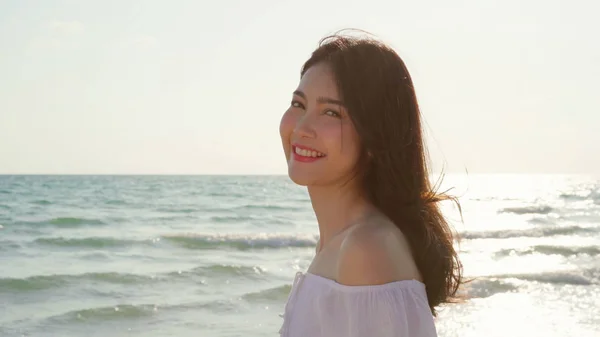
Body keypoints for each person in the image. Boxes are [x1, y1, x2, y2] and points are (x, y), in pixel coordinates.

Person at [277, 31, 464, 337]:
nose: (301, 127)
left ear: (375, 136)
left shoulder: (365, 251)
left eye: (330, 112)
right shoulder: (339, 245)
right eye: (299, 104)